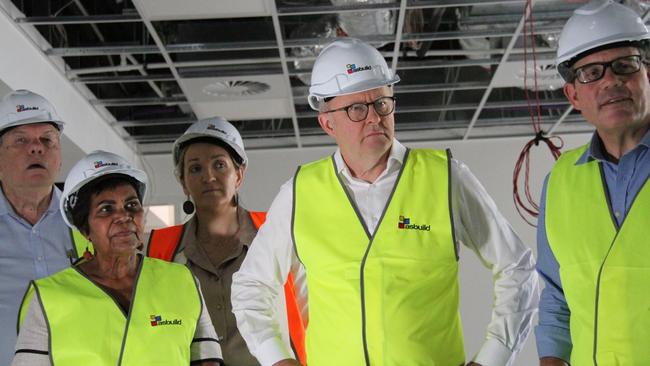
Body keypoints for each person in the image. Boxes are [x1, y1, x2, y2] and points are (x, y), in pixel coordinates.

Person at [231, 37, 538, 366]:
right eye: (356, 108)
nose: (374, 117)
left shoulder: (445, 178)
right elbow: (251, 286)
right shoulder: (299, 193)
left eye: (382, 103)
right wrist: (277, 360)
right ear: (327, 122)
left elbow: (517, 267)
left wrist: (492, 358)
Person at [12, 150, 223, 366]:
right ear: (85, 229)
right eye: (106, 209)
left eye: (132, 205)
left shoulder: (182, 281)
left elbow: (207, 360)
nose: (123, 216)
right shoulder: (47, 298)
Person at [536, 1, 650, 365]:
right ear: (573, 96)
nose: (611, 81)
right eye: (591, 73)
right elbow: (556, 297)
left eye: (625, 65)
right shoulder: (561, 181)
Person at [147, 117, 305, 365]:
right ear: (183, 183)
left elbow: (309, 309)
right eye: (195, 168)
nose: (208, 176)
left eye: (219, 165)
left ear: (239, 175)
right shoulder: (158, 248)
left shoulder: (275, 232)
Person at [0, 90, 90, 366]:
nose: (36, 148)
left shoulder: (88, 224)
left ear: (59, 157)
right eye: (21, 140)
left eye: (46, 140)